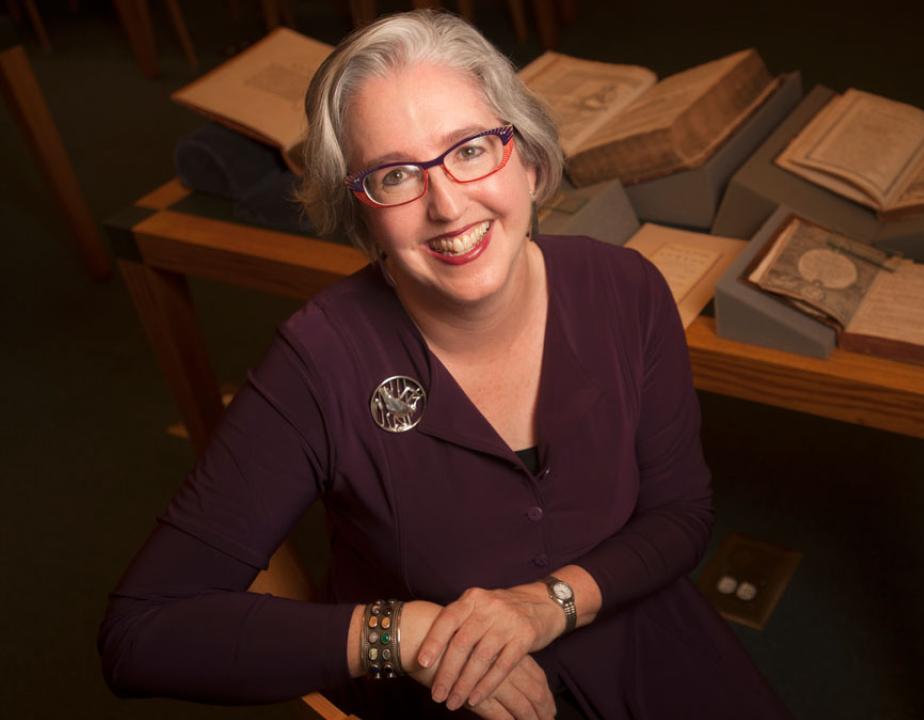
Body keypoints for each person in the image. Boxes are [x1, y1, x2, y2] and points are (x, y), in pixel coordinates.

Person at [99, 10, 791, 719]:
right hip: (444, 693)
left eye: (470, 149)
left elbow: (679, 514)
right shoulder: (318, 365)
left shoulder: (627, 289)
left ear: (528, 160)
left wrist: (549, 603)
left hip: (627, 622)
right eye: (396, 174)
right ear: (363, 215)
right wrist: (404, 634)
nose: (449, 204)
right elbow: (140, 633)